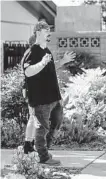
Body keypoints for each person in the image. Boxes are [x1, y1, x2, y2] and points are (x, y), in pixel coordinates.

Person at [22, 21, 76, 165]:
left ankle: (45, 150)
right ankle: (43, 157)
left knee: (56, 123)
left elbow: (51, 67)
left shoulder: (47, 51)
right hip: (41, 99)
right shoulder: (32, 51)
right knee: (42, 127)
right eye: (46, 31)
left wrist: (63, 60)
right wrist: (42, 63)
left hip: (54, 98)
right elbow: (28, 72)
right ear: (38, 32)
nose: (49, 34)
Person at [21, 34, 37, 154]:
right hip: (32, 89)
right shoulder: (32, 54)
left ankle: (29, 143)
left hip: (29, 89)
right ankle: (28, 144)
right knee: (34, 116)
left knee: (34, 117)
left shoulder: (29, 53)